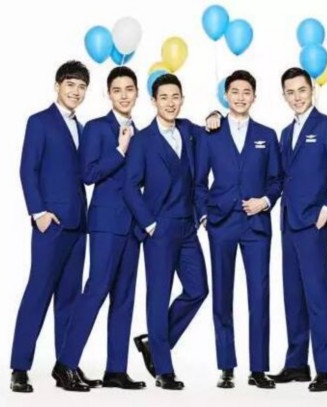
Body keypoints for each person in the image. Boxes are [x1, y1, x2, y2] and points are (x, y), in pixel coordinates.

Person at [11, 60, 101, 392]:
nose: (76, 91)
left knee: (69, 299)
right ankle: (19, 368)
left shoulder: (84, 128)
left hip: (78, 226)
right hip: (50, 226)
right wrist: (39, 213)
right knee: (38, 293)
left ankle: (66, 367)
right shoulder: (40, 122)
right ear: (58, 86)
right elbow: (27, 169)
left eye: (81, 87)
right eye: (70, 85)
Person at [54, 67, 145, 390]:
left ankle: (116, 370)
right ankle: (65, 364)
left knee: (124, 297)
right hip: (106, 223)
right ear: (108, 94)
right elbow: (88, 174)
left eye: (129, 89)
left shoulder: (141, 131)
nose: (123, 95)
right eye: (117, 90)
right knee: (95, 290)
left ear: (137, 93)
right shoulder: (96, 128)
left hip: (133, 225)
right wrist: (119, 151)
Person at [195, 70, 282, 390]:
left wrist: (266, 201)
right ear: (226, 95)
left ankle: (258, 368)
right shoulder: (210, 133)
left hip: (256, 225)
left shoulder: (267, 135)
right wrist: (204, 216)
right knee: (222, 295)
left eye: (247, 92)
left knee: (259, 295)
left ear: (254, 96)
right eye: (235, 91)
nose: (241, 97)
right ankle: (226, 366)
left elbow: (276, 179)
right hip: (221, 224)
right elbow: (198, 182)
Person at [268, 67, 327, 392]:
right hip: (288, 224)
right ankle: (296, 364)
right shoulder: (284, 133)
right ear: (283, 96)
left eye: (301, 90)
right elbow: (283, 178)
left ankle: (325, 368)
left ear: (312, 90)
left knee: (317, 298)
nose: (297, 97)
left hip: (312, 225)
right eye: (290, 92)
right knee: (293, 297)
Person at [124, 74, 209, 390]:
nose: (170, 103)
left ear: (182, 99)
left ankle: (155, 344)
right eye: (164, 97)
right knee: (158, 297)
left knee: (198, 289)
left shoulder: (188, 130)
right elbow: (130, 185)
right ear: (153, 101)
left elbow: (213, 128)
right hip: (159, 229)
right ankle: (164, 369)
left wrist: (215, 115)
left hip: (187, 227)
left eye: (176, 96)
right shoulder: (143, 140)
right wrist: (149, 224)